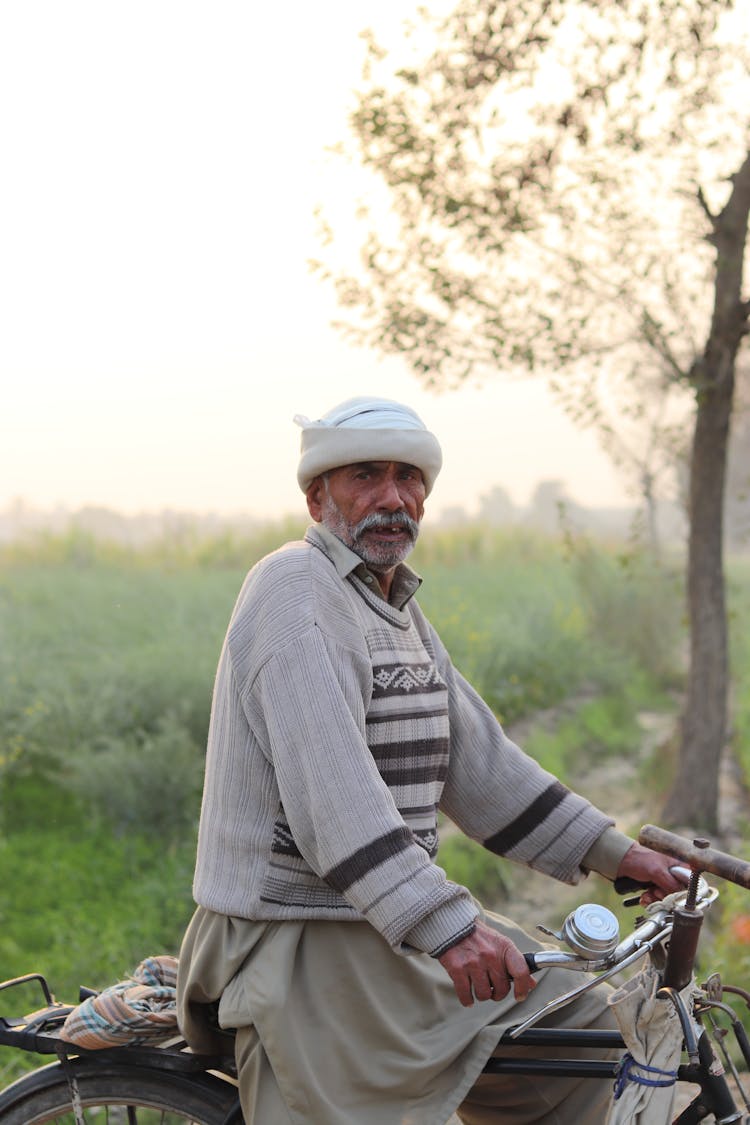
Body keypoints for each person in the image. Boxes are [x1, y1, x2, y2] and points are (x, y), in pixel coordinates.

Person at [177, 396, 684, 1125]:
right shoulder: (295, 590)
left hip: (385, 924)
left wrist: (616, 852)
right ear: (317, 495)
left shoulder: (395, 607)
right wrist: (448, 925)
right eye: (366, 476)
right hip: (303, 937)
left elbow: (482, 767)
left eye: (409, 478)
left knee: (584, 1032)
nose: (393, 498)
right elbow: (335, 804)